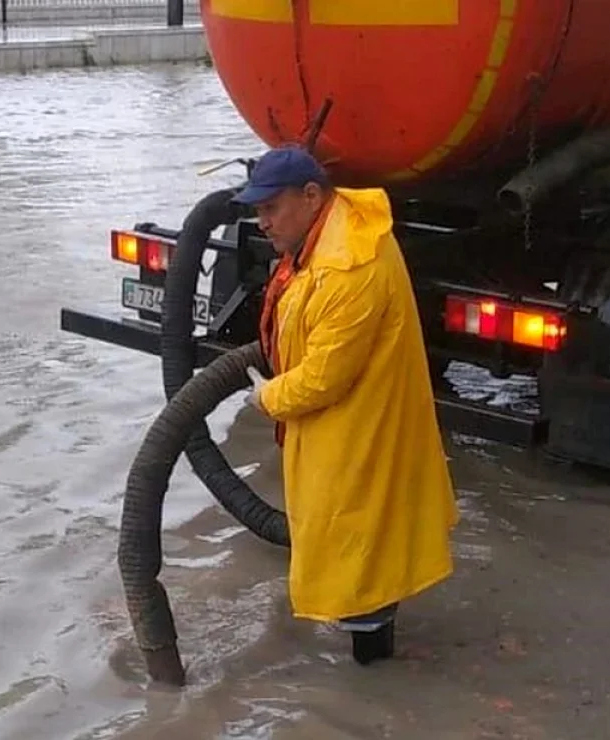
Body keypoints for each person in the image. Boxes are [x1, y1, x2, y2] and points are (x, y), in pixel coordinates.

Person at [235, 145, 460, 664]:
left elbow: (322, 380)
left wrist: (266, 395)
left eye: (271, 208)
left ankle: (372, 681)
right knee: (367, 543)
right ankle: (374, 658)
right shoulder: (341, 232)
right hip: (359, 423)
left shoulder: (348, 267)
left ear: (312, 196)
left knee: (358, 547)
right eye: (257, 210)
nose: (261, 222)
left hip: (357, 429)